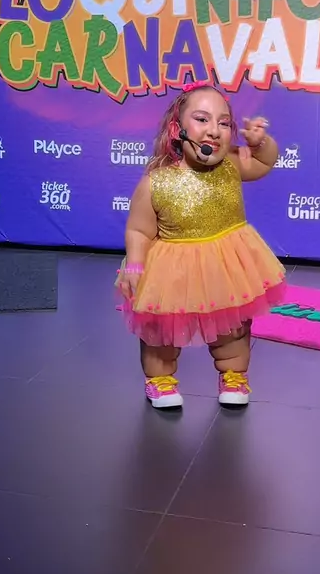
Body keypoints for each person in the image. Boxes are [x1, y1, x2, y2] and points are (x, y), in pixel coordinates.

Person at [116, 81, 287, 410]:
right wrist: (135, 264)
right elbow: (139, 230)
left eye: (223, 122)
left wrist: (260, 143)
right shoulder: (156, 182)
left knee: (233, 326)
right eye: (202, 119)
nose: (213, 130)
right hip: (172, 268)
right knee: (160, 330)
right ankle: (160, 379)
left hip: (227, 262)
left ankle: (234, 375)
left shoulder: (231, 165)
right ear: (177, 129)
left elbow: (264, 163)